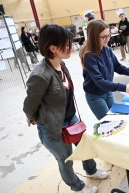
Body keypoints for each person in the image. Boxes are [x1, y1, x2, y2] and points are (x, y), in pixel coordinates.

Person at [23, 24, 109, 193]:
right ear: (53, 48)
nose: (72, 47)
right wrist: (32, 116)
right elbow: (30, 103)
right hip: (53, 126)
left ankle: (91, 170)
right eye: (67, 44)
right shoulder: (40, 75)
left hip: (71, 119)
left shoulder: (60, 64)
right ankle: (77, 186)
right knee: (66, 159)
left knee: (85, 146)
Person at [79, 19, 129, 120]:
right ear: (94, 37)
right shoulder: (89, 56)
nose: (107, 39)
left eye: (108, 35)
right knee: (108, 122)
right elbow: (100, 81)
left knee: (115, 118)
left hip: (108, 91)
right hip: (95, 96)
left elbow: (117, 66)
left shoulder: (106, 49)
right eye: (104, 37)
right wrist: (124, 88)